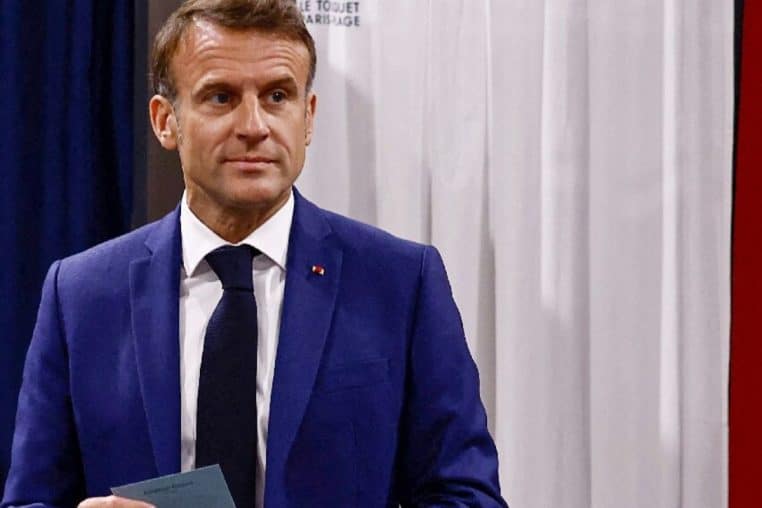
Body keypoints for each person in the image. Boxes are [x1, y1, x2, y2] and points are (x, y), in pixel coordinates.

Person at [1, 0, 507, 507]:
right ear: (165, 121)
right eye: (221, 97)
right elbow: (31, 499)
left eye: (277, 96)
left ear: (308, 118)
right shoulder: (80, 296)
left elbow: (467, 496)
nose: (254, 125)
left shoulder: (401, 285)